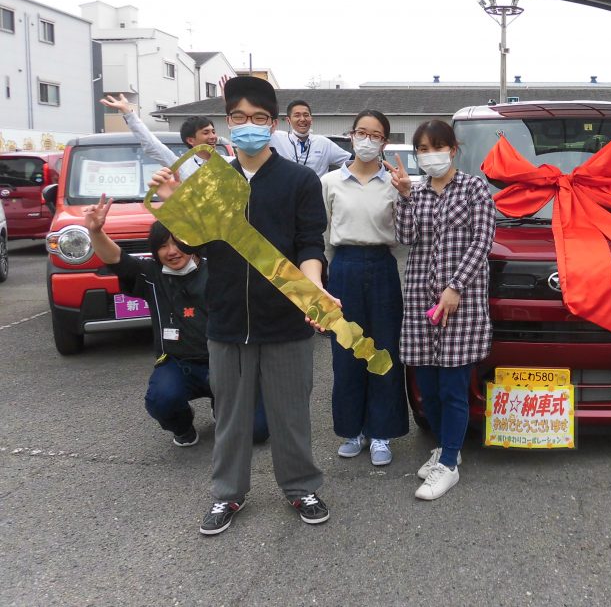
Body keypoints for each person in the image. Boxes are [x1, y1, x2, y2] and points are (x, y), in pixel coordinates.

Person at [149, 76, 333, 536]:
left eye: (258, 117)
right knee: (230, 416)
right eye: (239, 117)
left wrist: (313, 288)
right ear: (228, 123)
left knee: (291, 412)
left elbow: (310, 243)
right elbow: (193, 244)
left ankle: (301, 487)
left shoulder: (300, 180)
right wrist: (174, 204)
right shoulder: (212, 180)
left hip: (286, 319)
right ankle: (227, 493)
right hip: (227, 320)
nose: (248, 125)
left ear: (272, 124)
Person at [80, 197, 268, 447]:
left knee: (258, 432)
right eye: (163, 246)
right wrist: (96, 232)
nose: (172, 251)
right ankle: (182, 426)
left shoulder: (218, 269)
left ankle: (221, 404)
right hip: (179, 364)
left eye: (178, 242)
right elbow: (116, 259)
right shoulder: (151, 275)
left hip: (227, 361)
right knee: (162, 399)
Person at [387, 120, 495, 500]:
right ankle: (447, 447)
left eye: (436, 147)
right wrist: (404, 196)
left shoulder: (474, 187)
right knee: (428, 388)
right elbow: (406, 237)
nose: (429, 154)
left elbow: (483, 241)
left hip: (459, 303)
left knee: (452, 387)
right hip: (421, 299)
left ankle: (448, 463)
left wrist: (455, 287)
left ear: (452, 149)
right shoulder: (415, 192)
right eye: (422, 149)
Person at [320, 109, 408, 466]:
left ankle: (381, 432)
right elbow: (324, 233)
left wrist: (406, 194)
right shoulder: (330, 182)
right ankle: (352, 430)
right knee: (347, 350)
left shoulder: (395, 183)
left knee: (384, 349)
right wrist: (325, 279)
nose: (367, 140)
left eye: (375, 135)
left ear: (384, 142)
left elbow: (404, 237)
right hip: (343, 267)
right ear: (351, 135)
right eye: (361, 132)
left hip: (382, 267)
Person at [100, 94, 229, 180]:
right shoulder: (182, 166)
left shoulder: (230, 163)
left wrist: (230, 101)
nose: (213, 136)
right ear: (191, 140)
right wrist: (128, 113)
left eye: (213, 132)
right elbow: (152, 145)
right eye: (206, 133)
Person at [270, 99, 351, 177]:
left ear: (311, 119)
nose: (302, 119)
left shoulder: (323, 143)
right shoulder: (277, 138)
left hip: (316, 186)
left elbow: (351, 162)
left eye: (306, 115)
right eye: (297, 115)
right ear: (288, 120)